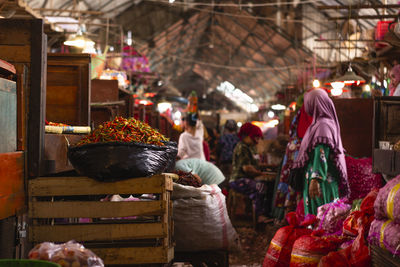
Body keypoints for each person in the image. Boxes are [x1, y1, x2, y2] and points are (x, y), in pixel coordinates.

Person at [292, 89, 350, 215]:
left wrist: (315, 179)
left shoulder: (323, 125)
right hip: (321, 181)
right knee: (323, 221)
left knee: (321, 221)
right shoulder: (321, 123)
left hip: (321, 183)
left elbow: (321, 153)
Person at [229, 122, 274, 223]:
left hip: (247, 179)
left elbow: (256, 164)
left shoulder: (251, 148)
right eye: (256, 138)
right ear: (247, 136)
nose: (257, 141)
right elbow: (247, 168)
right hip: (238, 180)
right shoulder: (242, 147)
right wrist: (261, 173)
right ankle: (259, 216)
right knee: (261, 187)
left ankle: (260, 212)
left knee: (268, 186)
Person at [217, 119, 240, 185]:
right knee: (231, 182)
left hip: (223, 163)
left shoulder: (222, 138)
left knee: (222, 181)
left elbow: (218, 150)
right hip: (233, 164)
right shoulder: (237, 139)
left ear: (226, 128)